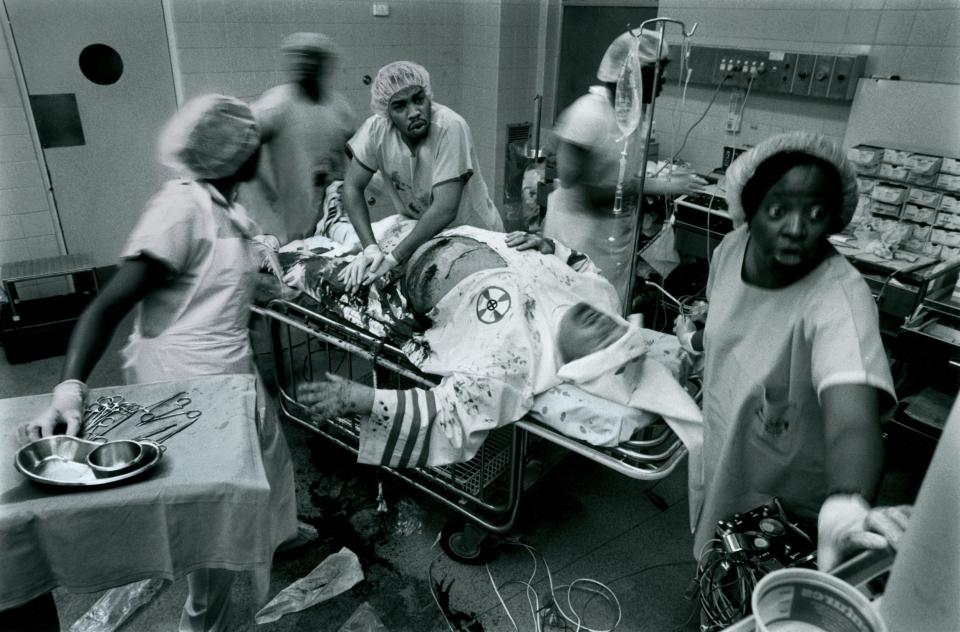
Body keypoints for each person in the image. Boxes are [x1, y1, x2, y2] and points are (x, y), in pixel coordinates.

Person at [16, 95, 297, 632]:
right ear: (234, 154)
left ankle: (276, 535)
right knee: (212, 509)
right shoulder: (180, 208)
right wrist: (69, 388)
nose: (261, 150)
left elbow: (212, 279)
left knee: (272, 458)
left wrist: (263, 282)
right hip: (185, 381)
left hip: (229, 365)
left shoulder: (225, 204)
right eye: (254, 143)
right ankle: (202, 621)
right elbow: (107, 305)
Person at [674, 131, 897, 572]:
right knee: (718, 560)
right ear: (749, 208)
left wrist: (847, 506)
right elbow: (733, 329)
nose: (796, 228)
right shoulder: (731, 249)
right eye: (778, 210)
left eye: (816, 212)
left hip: (788, 485)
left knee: (764, 580)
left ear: (835, 218)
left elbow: (853, 419)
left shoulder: (839, 299)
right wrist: (695, 342)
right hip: (726, 443)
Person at [545, 29, 701, 307]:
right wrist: (657, 186)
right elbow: (582, 193)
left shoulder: (629, 115)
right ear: (632, 72)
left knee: (610, 312)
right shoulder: (589, 114)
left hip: (609, 243)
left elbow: (617, 174)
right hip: (578, 244)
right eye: (658, 69)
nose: (664, 78)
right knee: (577, 318)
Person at [338, 61, 504, 293]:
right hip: (424, 233)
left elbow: (445, 209)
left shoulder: (449, 126)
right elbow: (352, 187)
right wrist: (370, 249)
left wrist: (393, 258)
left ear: (428, 95)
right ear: (387, 113)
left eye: (419, 99)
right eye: (400, 106)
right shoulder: (376, 129)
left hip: (472, 232)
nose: (414, 111)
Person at [242, 32, 355, 242]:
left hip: (323, 211)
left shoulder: (339, 108)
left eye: (312, 56)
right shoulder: (276, 104)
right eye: (299, 56)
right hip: (281, 219)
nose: (305, 62)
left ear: (325, 63)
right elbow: (242, 144)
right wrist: (265, 194)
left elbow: (354, 152)